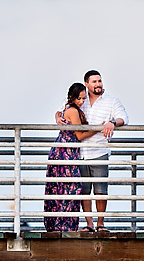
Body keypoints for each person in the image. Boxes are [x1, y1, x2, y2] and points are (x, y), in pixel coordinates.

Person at [56, 69, 128, 232]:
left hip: (99, 150)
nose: (98, 84)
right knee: (85, 190)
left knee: (101, 189)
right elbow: (62, 110)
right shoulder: (81, 98)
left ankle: (100, 223)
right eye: (94, 82)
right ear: (86, 84)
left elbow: (123, 117)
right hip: (79, 152)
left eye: (100, 81)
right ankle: (89, 224)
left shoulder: (111, 101)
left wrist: (112, 122)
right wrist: (57, 117)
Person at [45, 83, 100, 232]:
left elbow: (59, 113)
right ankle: (63, 226)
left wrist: (57, 116)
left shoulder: (68, 109)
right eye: (79, 99)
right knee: (71, 188)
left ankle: (60, 225)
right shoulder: (73, 111)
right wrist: (98, 129)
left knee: (62, 188)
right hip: (65, 152)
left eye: (83, 99)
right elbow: (80, 135)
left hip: (65, 151)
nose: (81, 101)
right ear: (72, 97)